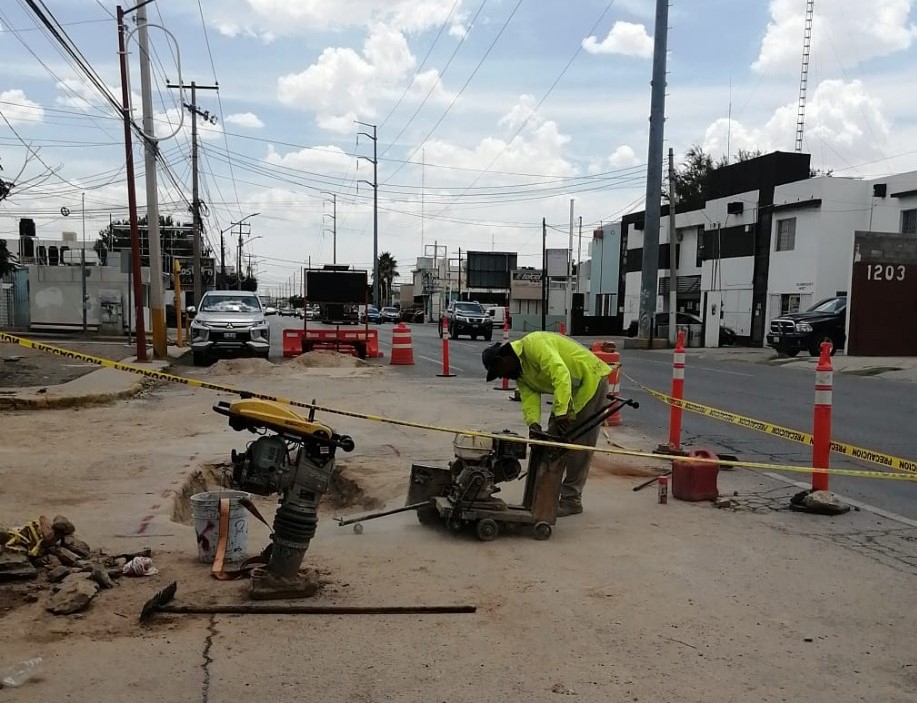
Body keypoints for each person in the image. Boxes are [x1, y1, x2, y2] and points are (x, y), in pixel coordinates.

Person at [481, 332, 611, 516]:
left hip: (591, 381)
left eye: (499, 372)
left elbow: (561, 374)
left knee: (579, 445)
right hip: (570, 391)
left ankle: (571, 500)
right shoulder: (519, 373)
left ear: (503, 359)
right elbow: (529, 398)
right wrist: (533, 424)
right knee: (549, 443)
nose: (503, 377)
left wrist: (561, 412)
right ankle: (544, 495)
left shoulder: (535, 345)